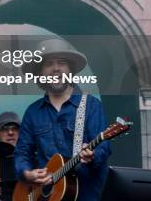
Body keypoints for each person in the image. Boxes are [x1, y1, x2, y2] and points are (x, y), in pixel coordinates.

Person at [14, 38, 111, 201]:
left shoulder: (91, 106)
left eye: (62, 63)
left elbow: (104, 147)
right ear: (40, 72)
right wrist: (27, 173)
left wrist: (92, 154)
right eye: (49, 64)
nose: (56, 69)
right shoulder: (33, 112)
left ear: (70, 70)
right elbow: (22, 152)